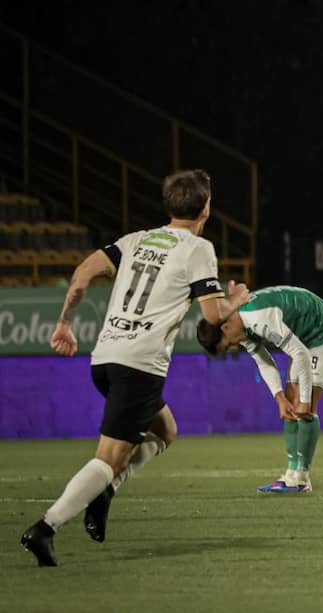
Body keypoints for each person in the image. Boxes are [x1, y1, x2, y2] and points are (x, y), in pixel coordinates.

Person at [20, 169, 250, 566]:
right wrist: (237, 301)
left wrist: (64, 323)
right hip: (139, 365)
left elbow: (79, 279)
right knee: (107, 458)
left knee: (166, 430)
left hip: (105, 358)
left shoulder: (134, 240)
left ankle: (105, 491)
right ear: (206, 209)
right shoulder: (198, 249)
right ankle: (45, 528)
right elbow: (212, 316)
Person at [196, 285, 323, 493]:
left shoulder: (258, 318)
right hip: (305, 339)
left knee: (306, 406)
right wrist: (279, 398)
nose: (233, 346)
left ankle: (302, 478)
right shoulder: (241, 324)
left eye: (227, 344)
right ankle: (291, 475)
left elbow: (301, 354)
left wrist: (305, 399)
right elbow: (264, 362)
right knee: (290, 404)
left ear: (225, 328)